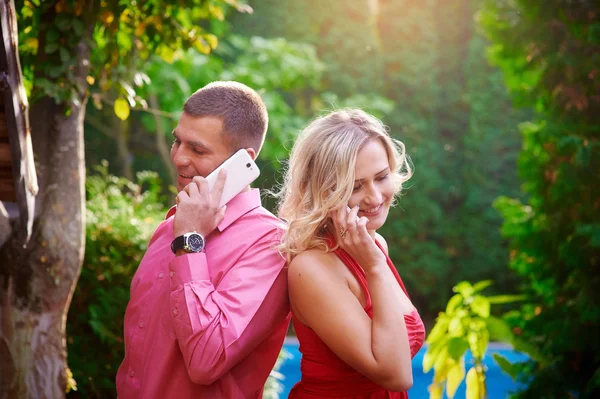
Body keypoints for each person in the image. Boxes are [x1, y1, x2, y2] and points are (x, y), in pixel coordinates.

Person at [116, 81, 290, 398]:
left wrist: (189, 242)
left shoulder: (270, 243)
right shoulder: (171, 225)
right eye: (177, 142)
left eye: (197, 150)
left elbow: (206, 361)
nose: (179, 158)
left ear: (244, 160)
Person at [276, 109, 426, 398]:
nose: (374, 197)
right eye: (355, 186)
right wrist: (373, 266)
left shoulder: (375, 244)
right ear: (322, 192)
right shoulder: (312, 267)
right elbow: (396, 375)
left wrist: (374, 262)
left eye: (381, 177)